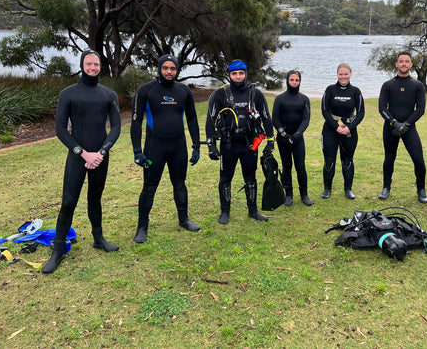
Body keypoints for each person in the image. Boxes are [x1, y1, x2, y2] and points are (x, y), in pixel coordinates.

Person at [43, 50, 121, 274]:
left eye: (96, 64)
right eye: (89, 64)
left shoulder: (109, 94)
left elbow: (115, 127)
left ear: (100, 66)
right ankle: (58, 250)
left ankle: (98, 238)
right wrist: (83, 153)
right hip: (78, 157)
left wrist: (101, 152)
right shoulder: (68, 94)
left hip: (100, 157)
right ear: (82, 65)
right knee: (68, 201)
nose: (93, 68)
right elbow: (60, 129)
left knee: (95, 199)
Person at [130, 54, 202, 243]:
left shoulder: (184, 91)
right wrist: (137, 151)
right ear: (160, 69)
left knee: (180, 183)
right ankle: (142, 227)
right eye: (165, 68)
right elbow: (136, 122)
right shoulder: (146, 90)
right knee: (149, 186)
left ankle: (184, 219)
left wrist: (196, 145)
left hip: (178, 146)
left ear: (177, 70)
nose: (169, 72)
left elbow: (192, 118)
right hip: (155, 146)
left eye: (173, 68)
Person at [205, 60, 275, 224]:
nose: (238, 76)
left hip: (249, 144)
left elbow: (266, 117)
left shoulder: (255, 94)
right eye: (234, 73)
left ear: (245, 74)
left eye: (241, 73)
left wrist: (271, 141)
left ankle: (253, 211)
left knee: (250, 178)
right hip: (228, 144)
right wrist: (211, 145)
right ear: (229, 74)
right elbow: (210, 120)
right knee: (225, 178)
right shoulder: (220, 94)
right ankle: (225, 212)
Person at [377, 51, 427, 203]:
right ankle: (386, 187)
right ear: (396, 64)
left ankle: (421, 189)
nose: (404, 64)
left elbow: (420, 109)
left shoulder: (417, 86)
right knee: (389, 158)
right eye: (401, 61)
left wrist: (406, 124)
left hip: (409, 128)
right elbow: (382, 108)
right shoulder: (388, 85)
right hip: (391, 128)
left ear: (411, 64)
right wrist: (394, 123)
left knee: (418, 159)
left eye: (407, 61)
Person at [321, 63, 365, 199]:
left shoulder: (355, 91)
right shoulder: (330, 90)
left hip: (349, 131)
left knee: (347, 160)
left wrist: (349, 128)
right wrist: (336, 126)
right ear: (337, 74)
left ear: (350, 74)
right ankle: (327, 189)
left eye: (346, 74)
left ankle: (348, 189)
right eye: (341, 74)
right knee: (329, 160)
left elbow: (361, 112)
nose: (343, 77)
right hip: (331, 129)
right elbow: (324, 110)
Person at [272, 70, 312, 206]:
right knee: (286, 166)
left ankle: (304, 194)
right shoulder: (280, 99)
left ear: (299, 81)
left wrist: (297, 135)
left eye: (297, 80)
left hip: (298, 138)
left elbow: (306, 119)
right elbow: (275, 119)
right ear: (287, 81)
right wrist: (284, 134)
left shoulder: (304, 99)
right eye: (292, 80)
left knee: (300, 166)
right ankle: (288, 194)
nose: (294, 82)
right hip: (283, 138)